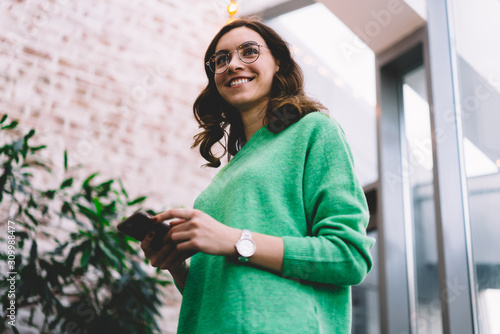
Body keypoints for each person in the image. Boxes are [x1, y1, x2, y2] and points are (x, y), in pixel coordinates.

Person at [141, 18, 375, 333]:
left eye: (248, 52)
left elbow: (349, 256)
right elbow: (227, 294)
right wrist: (175, 266)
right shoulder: (228, 175)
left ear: (278, 62)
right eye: (220, 60)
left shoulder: (315, 130)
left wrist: (235, 240)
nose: (233, 64)